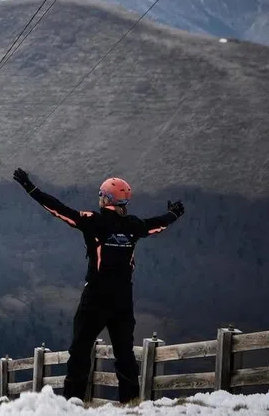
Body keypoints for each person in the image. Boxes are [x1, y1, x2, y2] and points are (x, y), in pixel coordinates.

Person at [12, 168, 185, 403]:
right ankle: (131, 403)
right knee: (124, 353)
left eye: (101, 194)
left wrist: (30, 188)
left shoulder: (94, 221)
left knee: (80, 350)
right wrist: (174, 213)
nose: (99, 197)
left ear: (107, 199)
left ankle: (73, 402)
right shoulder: (134, 225)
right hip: (123, 298)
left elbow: (59, 210)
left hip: (96, 297)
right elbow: (158, 224)